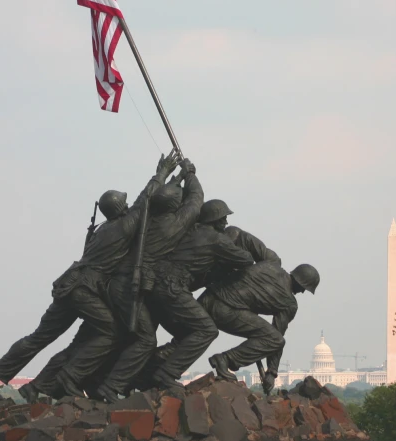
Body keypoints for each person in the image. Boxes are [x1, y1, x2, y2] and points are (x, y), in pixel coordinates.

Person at [0, 152, 178, 401]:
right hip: (85, 289)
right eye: (124, 204)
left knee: (39, 337)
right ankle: (69, 378)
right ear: (120, 208)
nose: (127, 206)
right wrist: (162, 173)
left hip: (68, 284)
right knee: (111, 332)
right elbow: (145, 200)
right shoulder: (124, 226)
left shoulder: (101, 230)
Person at [94, 158, 203, 403]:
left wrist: (169, 177)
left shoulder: (142, 218)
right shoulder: (172, 225)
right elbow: (195, 202)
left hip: (121, 284)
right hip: (128, 287)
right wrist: (190, 174)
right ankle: (111, 386)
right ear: (175, 206)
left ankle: (123, 381)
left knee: (136, 335)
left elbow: (149, 197)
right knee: (145, 339)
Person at [145, 199, 257, 390]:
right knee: (207, 331)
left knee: (186, 333)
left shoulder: (190, 230)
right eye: (223, 219)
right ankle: (166, 374)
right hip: (173, 287)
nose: (226, 223)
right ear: (215, 220)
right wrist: (236, 243)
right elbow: (246, 259)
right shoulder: (216, 239)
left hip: (155, 284)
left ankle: (146, 370)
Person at [198, 262, 320, 395]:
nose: (302, 292)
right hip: (224, 309)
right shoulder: (289, 303)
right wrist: (272, 372)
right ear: (300, 282)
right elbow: (277, 338)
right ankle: (225, 359)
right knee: (275, 339)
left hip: (207, 297)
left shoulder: (269, 265)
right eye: (304, 288)